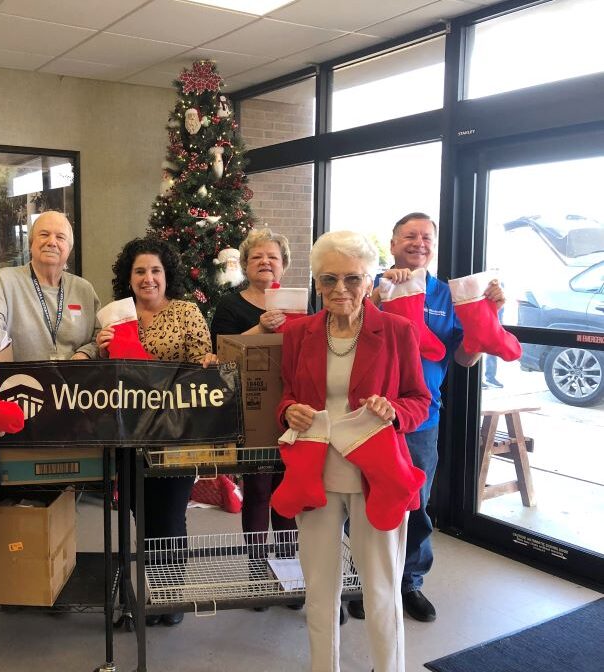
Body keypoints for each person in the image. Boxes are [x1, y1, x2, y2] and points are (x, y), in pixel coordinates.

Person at [278, 230, 430, 672]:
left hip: (376, 479)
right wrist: (290, 412)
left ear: (369, 281)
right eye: (328, 280)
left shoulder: (397, 330)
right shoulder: (299, 333)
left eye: (351, 279)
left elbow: (419, 399)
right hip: (316, 476)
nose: (339, 290)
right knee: (319, 592)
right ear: (316, 282)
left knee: (381, 591)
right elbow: (287, 395)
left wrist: (394, 410)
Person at [346, 212, 506, 623]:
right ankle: (364, 582)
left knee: (414, 503)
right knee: (363, 500)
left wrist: (488, 317)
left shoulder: (449, 296)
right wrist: (379, 296)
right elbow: (345, 334)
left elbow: (465, 358)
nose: (419, 242)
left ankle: (408, 584)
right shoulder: (370, 284)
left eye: (426, 237)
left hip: (421, 418)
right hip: (368, 413)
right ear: (393, 242)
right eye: (409, 236)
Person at [96, 237, 218, 627]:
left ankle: (169, 596)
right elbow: (107, 378)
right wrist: (102, 351)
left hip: (174, 429)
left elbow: (203, 360)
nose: (148, 279)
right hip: (129, 430)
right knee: (139, 513)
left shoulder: (185, 312)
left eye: (155, 271)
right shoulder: (115, 316)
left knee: (169, 514)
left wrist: (206, 361)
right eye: (140, 271)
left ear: (166, 276)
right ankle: (152, 591)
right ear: (128, 278)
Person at [210, 228, 303, 611]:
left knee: (289, 493)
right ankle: (256, 570)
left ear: (284, 264)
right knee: (259, 490)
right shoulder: (231, 305)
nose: (265, 262)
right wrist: (261, 327)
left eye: (273, 257)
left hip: (294, 410)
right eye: (256, 257)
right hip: (250, 410)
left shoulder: (299, 302)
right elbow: (222, 355)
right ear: (245, 265)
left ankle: (288, 571)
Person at [0, 210, 99, 360]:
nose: (51, 242)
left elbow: (99, 338)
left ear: (69, 249)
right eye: (44, 234)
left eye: (60, 237)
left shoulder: (84, 290)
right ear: (31, 243)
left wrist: (86, 353)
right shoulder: (4, 281)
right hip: (23, 380)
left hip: (76, 382)